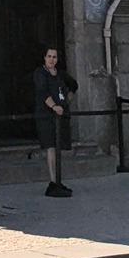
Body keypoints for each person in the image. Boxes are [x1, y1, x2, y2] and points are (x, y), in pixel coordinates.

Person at [32, 46, 77, 197]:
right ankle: (53, 181)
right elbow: (42, 91)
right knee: (50, 148)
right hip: (46, 116)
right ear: (44, 58)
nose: (51, 59)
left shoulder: (61, 74)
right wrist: (54, 106)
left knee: (58, 148)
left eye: (54, 57)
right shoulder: (40, 73)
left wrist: (65, 102)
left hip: (60, 116)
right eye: (49, 56)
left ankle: (58, 180)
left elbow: (74, 85)